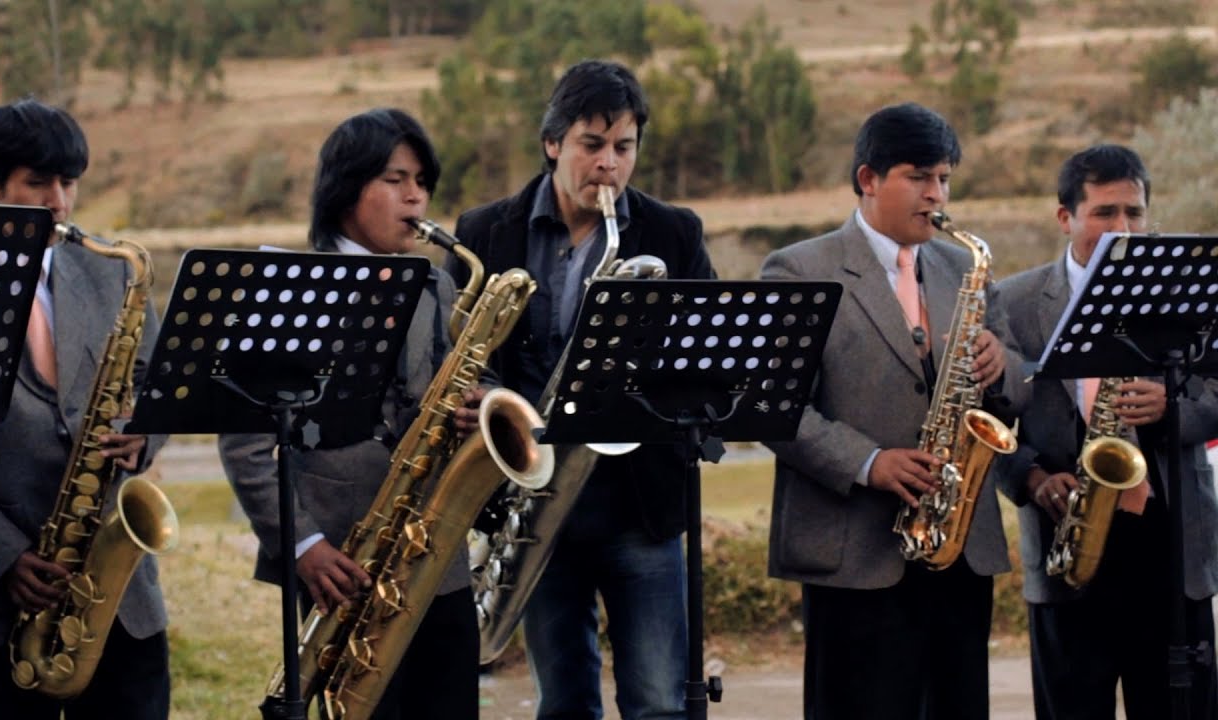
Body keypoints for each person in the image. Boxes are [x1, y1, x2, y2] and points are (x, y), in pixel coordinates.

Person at [450, 59, 715, 720]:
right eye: (591, 145)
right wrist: (482, 400)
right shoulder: (485, 229)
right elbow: (462, 354)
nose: (609, 165)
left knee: (659, 702)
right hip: (531, 501)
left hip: (639, 504)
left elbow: (709, 361)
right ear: (553, 143)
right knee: (563, 701)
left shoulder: (672, 233)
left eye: (623, 148)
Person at [759, 102, 1028, 720]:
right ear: (868, 179)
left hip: (958, 549)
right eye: (919, 177)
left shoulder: (966, 267)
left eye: (945, 179)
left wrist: (1001, 365)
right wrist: (869, 462)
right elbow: (772, 408)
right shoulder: (799, 268)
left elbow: (1020, 389)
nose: (936, 195)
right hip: (855, 554)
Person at [217, 107, 480, 719]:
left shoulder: (435, 285)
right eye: (395, 180)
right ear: (344, 190)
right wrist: (302, 544)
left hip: (435, 559)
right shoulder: (287, 290)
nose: (416, 196)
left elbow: (457, 380)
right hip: (340, 567)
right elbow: (245, 442)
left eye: (421, 181)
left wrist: (479, 404)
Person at [0, 98, 168, 718]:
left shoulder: (111, 272)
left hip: (120, 601)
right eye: (37, 183)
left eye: (68, 183)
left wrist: (140, 434)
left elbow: (156, 380)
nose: (59, 203)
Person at [994, 143, 1218, 719]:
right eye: (1104, 213)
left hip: (1169, 550)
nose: (1123, 228)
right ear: (1065, 217)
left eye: (1134, 213)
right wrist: (1033, 475)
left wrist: (1173, 407)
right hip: (1066, 544)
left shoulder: (1184, 288)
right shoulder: (1013, 302)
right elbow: (988, 421)